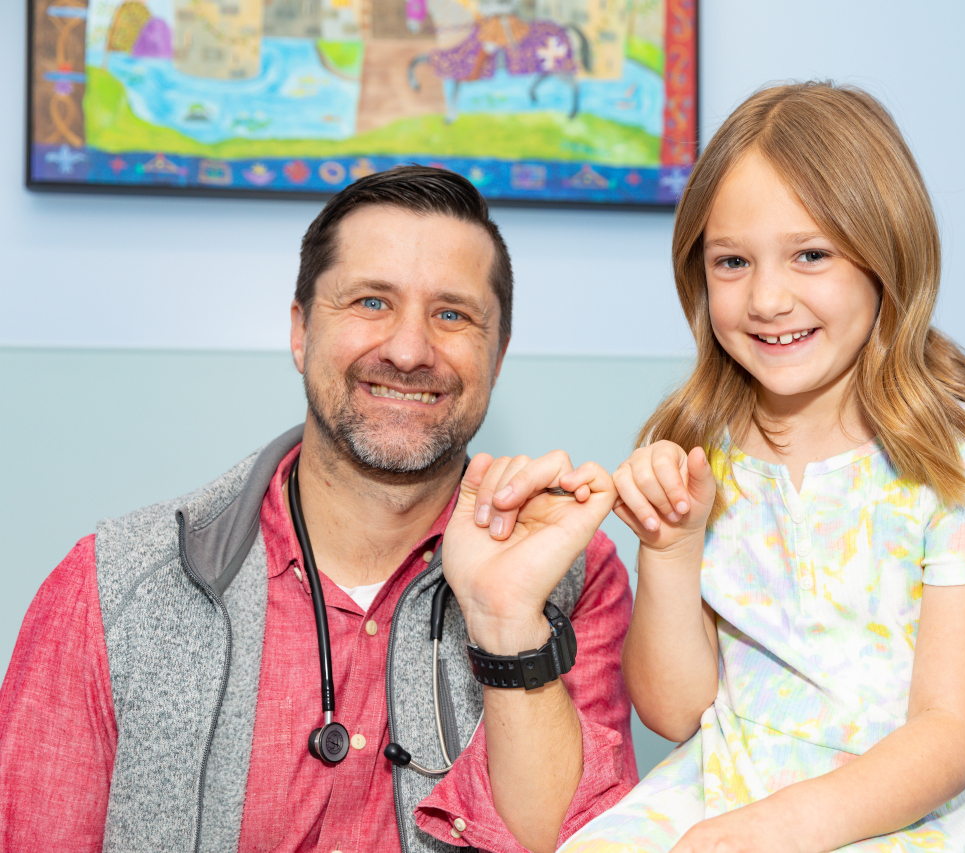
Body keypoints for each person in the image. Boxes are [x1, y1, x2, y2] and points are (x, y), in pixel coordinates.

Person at [0, 166, 638, 853]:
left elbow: (582, 839)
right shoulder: (112, 586)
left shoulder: (571, 576)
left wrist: (509, 621)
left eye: (452, 314)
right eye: (370, 302)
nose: (408, 350)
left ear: (498, 355)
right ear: (301, 331)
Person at [557, 83, 965, 852]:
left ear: (888, 257)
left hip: (891, 808)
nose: (767, 298)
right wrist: (670, 548)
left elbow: (947, 731)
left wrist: (777, 828)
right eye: (732, 262)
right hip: (719, 786)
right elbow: (677, 713)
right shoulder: (698, 446)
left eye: (810, 255)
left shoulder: (956, 456)